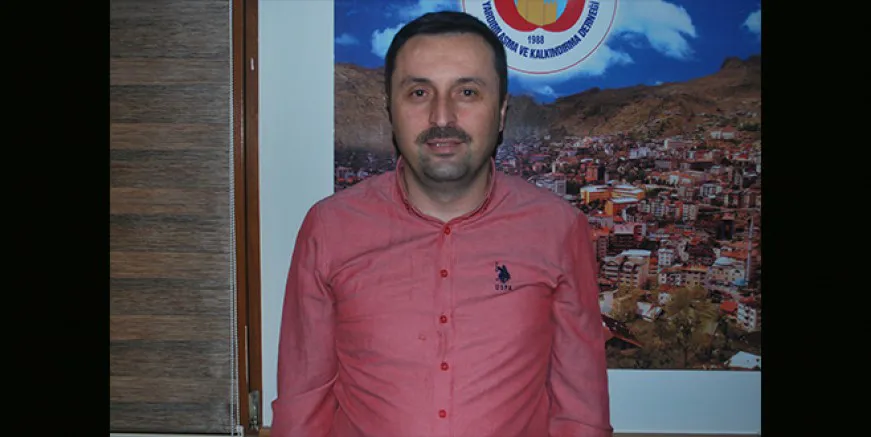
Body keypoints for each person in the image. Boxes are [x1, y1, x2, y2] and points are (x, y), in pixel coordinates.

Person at [271, 10, 613, 437]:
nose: (442, 117)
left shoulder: (559, 229)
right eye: (419, 92)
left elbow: (581, 411)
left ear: (501, 112)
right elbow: (303, 406)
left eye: (467, 92)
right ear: (390, 110)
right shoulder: (329, 228)